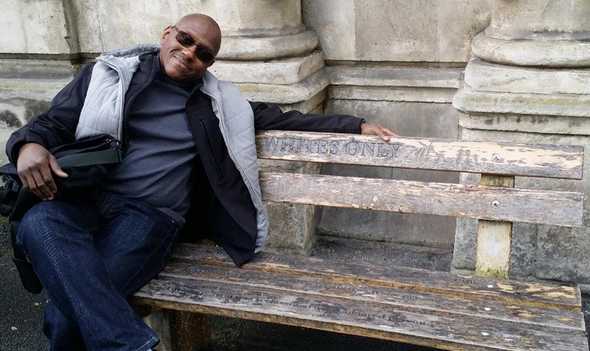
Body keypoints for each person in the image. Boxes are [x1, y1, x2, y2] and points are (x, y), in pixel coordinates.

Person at [7, 13, 396, 351]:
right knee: (38, 221)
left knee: (65, 314)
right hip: (88, 199)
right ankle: (130, 344)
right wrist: (27, 145)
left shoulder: (217, 106)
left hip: (149, 217)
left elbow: (283, 118)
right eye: (186, 39)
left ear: (210, 64)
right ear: (167, 34)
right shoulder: (108, 76)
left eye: (204, 53)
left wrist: (354, 125)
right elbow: (53, 122)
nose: (191, 53)